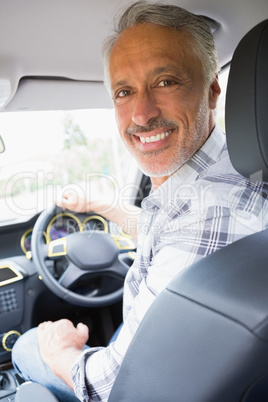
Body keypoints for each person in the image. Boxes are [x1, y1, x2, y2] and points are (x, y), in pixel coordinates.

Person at [12, 2, 268, 402]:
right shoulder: (228, 178)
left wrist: (58, 349)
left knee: (26, 346)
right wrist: (109, 208)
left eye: (165, 82)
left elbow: (111, 386)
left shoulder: (213, 210)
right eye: (124, 91)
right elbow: (174, 230)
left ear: (213, 89)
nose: (142, 114)